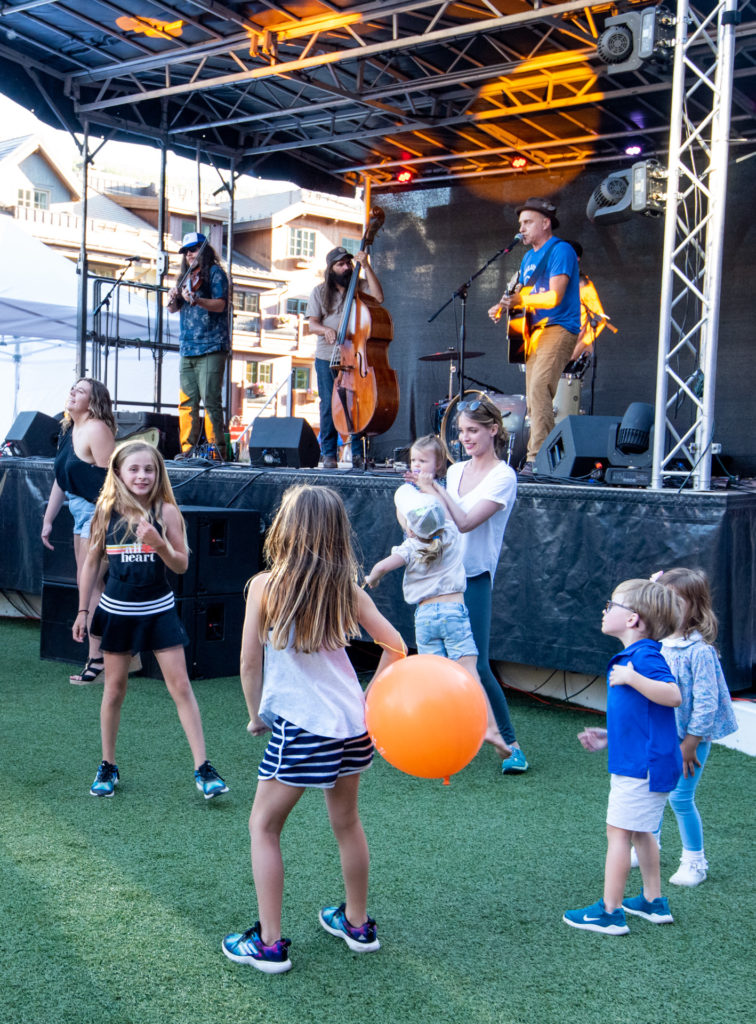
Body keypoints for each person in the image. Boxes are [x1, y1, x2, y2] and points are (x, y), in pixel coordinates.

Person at [222, 484, 406, 973]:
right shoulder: (347, 589)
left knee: (263, 826)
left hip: (303, 729)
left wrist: (256, 713)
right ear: (337, 534)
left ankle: (268, 944)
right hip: (351, 729)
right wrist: (366, 703)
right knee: (347, 823)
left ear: (287, 527)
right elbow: (397, 647)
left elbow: (248, 662)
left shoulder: (265, 586)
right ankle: (357, 923)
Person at [73, 441, 228, 800]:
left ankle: (204, 768)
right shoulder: (105, 510)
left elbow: (181, 565)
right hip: (117, 612)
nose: (142, 475)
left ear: (159, 474)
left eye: (149, 469)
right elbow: (91, 564)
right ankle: (108, 766)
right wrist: (83, 610)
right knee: (114, 691)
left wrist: (159, 544)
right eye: (134, 469)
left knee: (181, 688)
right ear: (118, 473)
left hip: (159, 610)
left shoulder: (167, 512)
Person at [563, 579, 683, 935]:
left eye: (611, 604)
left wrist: (633, 678)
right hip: (646, 762)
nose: (605, 610)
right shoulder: (637, 655)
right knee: (642, 832)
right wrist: (609, 738)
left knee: (618, 833)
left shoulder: (643, 657)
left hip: (642, 768)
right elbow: (641, 719)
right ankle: (652, 901)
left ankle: (610, 912)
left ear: (633, 620)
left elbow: (673, 695)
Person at [412, 398, 526, 773]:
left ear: (493, 430)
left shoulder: (504, 477)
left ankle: (510, 744)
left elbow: (463, 522)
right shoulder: (458, 470)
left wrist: (435, 488)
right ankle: (446, 736)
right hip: (440, 577)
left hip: (474, 579)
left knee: (474, 666)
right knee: (438, 666)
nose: (465, 439)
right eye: (461, 432)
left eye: (472, 431)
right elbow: (439, 522)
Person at [364, 478, 511, 762]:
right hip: (454, 612)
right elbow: (442, 512)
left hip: (425, 617)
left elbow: (382, 566)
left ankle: (437, 738)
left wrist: (374, 578)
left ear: (408, 528)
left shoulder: (408, 547)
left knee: (436, 681)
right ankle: (491, 729)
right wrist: (431, 486)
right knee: (470, 674)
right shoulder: (452, 533)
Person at [635, 568, 737, 887]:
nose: (670, 608)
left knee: (680, 798)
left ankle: (695, 861)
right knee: (654, 792)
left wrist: (690, 744)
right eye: (665, 601)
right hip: (661, 736)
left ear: (696, 606)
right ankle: (650, 846)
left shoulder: (700, 652)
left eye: (677, 602)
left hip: (690, 739)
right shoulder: (658, 643)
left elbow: (706, 704)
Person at [488, 198, 580, 474]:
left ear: (545, 223)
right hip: (534, 333)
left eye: (527, 222)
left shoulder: (560, 250)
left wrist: (519, 300)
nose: (522, 229)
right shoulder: (528, 258)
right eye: (520, 224)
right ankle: (547, 458)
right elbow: (523, 294)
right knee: (534, 395)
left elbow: (553, 296)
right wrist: (501, 304)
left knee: (540, 388)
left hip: (559, 327)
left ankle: (537, 459)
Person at [42, 378, 116, 684]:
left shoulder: (98, 429)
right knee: (87, 582)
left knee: (92, 585)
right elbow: (61, 477)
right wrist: (48, 519)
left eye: (81, 391)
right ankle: (108, 654)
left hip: (97, 510)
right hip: (79, 509)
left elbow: (112, 481)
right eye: (72, 388)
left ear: (94, 401)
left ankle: (97, 659)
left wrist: (103, 520)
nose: (72, 392)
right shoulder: (68, 429)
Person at [306, 246, 384, 470]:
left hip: (355, 355)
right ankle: (329, 453)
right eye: (340, 264)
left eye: (348, 263)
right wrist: (325, 330)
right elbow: (312, 324)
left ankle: (358, 454)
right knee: (329, 404)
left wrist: (366, 266)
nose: (346, 267)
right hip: (327, 355)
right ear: (331, 268)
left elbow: (379, 297)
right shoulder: (320, 291)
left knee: (356, 402)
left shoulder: (359, 287)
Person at [167, 231, 229, 460]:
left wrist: (198, 299)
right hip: (188, 347)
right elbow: (174, 308)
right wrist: (174, 298)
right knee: (187, 401)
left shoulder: (215, 273)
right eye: (186, 252)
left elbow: (221, 305)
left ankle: (215, 451)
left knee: (211, 399)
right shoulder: (184, 277)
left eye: (194, 250)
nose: (190, 255)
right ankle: (188, 449)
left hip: (212, 345)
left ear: (204, 250)